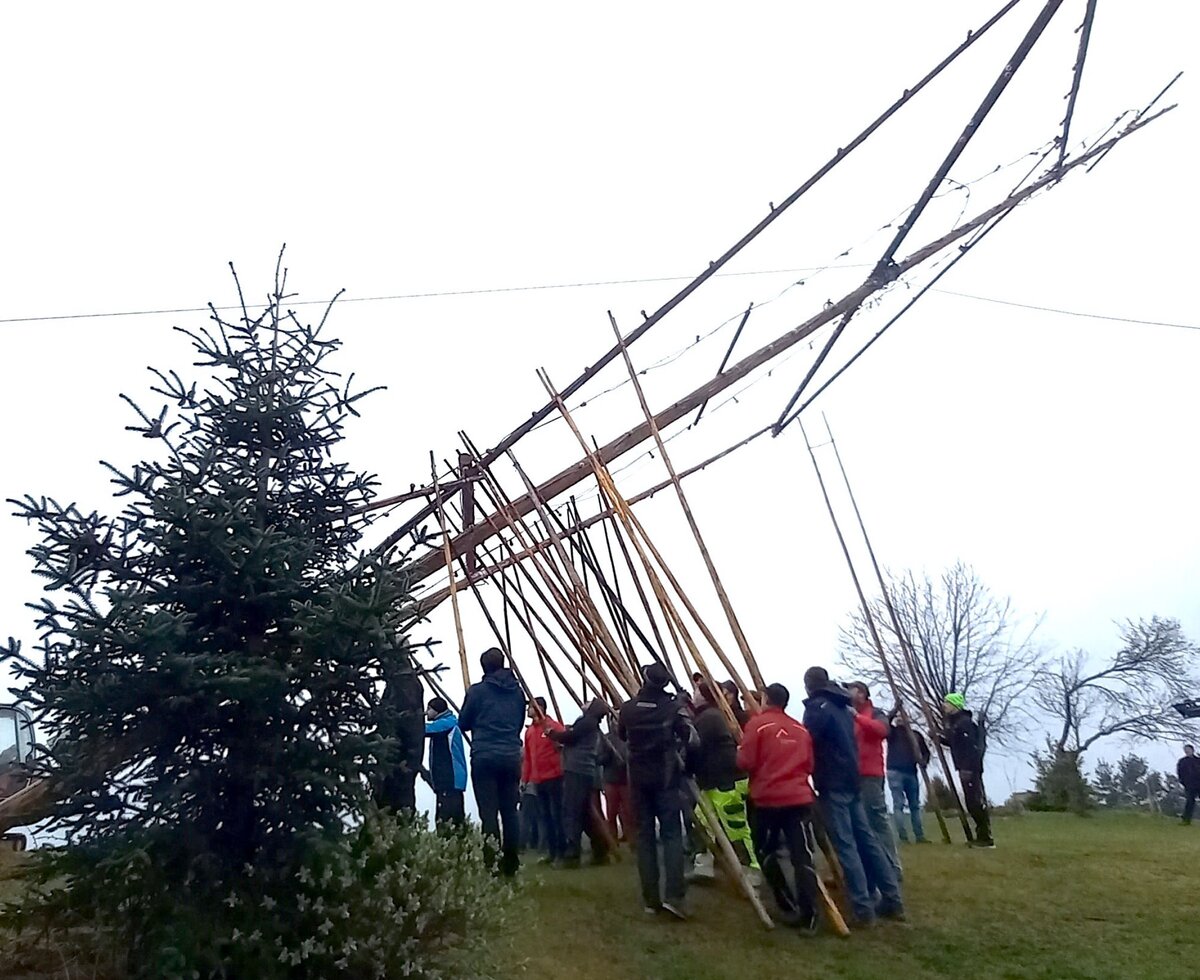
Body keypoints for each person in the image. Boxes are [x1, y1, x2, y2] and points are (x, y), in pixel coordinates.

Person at [802, 666, 904, 927]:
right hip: (852, 778)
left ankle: (862, 908)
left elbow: (808, 742)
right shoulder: (843, 706)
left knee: (846, 844)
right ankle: (892, 899)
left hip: (833, 782)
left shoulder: (817, 708)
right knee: (867, 839)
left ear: (808, 686)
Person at [737, 683, 822, 933]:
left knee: (765, 851)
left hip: (767, 801)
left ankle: (787, 904)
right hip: (798, 799)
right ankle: (810, 916)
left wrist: (738, 752)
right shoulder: (800, 729)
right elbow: (809, 765)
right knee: (802, 857)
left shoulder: (757, 725)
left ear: (765, 699)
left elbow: (746, 761)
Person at [619, 662, 698, 920]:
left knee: (645, 840)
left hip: (637, 780)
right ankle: (674, 896)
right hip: (666, 779)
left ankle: (651, 901)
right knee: (672, 836)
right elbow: (692, 738)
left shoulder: (628, 709)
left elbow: (622, 735)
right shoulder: (673, 708)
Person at [458, 648, 525, 876]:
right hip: (510, 754)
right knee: (510, 811)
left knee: (488, 813)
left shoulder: (477, 692)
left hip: (485, 754)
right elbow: (518, 722)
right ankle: (512, 863)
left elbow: (463, 722)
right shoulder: (517, 692)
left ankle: (492, 863)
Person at [692, 681, 759, 874]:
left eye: (697, 691)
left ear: (704, 696)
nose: (693, 694)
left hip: (726, 781)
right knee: (702, 821)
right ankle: (703, 865)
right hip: (711, 781)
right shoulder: (707, 715)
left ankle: (751, 870)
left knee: (735, 827)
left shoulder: (710, 717)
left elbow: (695, 746)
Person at [848, 682, 901, 879]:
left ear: (862, 693)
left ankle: (893, 867)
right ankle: (873, 868)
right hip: (852, 774)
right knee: (861, 824)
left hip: (871, 774)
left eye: (851, 689)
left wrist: (857, 717)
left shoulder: (875, 713)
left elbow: (882, 731)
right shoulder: (848, 714)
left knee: (877, 821)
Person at [549, 699, 610, 867]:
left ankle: (572, 855)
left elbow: (570, 737)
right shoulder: (591, 725)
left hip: (577, 770)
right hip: (584, 770)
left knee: (571, 812)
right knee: (584, 814)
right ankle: (600, 850)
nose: (586, 702)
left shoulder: (586, 722)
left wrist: (553, 734)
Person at [940, 693, 994, 848]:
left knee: (974, 802)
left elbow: (970, 748)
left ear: (955, 705)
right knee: (971, 802)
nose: (944, 705)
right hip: (965, 767)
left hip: (969, 768)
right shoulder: (957, 723)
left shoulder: (964, 723)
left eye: (947, 702)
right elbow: (956, 744)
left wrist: (968, 768)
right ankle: (982, 836)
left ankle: (985, 838)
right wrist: (941, 739)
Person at [521, 697, 565, 863]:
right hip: (538, 779)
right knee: (545, 817)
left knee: (557, 815)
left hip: (554, 776)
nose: (528, 710)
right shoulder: (530, 731)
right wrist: (525, 779)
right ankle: (552, 852)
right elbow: (528, 758)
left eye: (531, 707)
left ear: (540, 707)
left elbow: (563, 741)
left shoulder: (552, 726)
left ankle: (561, 852)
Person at [886, 710, 931, 844]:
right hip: (895, 772)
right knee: (900, 805)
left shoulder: (915, 735)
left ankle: (919, 836)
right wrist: (894, 710)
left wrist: (924, 762)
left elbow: (926, 752)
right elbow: (885, 722)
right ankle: (904, 837)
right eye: (898, 718)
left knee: (913, 806)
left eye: (902, 717)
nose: (899, 720)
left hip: (910, 772)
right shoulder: (892, 733)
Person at [425, 697, 468, 827]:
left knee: (447, 817)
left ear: (436, 710)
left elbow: (423, 729)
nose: (426, 712)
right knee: (454, 815)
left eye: (429, 709)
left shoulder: (447, 724)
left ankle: (450, 843)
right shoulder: (449, 723)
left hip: (449, 777)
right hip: (450, 779)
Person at [599, 718, 633, 842]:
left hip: (626, 779)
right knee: (611, 813)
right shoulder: (606, 738)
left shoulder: (630, 737)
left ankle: (632, 840)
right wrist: (607, 757)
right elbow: (599, 758)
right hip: (610, 779)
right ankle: (613, 840)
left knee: (629, 812)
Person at [1177, 744, 1200, 825]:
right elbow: (1180, 773)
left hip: (1199, 784)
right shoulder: (1182, 762)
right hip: (1189, 785)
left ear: (1192, 750)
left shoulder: (1198, 760)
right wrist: (1183, 782)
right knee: (1190, 802)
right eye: (1185, 750)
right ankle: (1186, 820)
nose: (1187, 751)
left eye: (1188, 749)